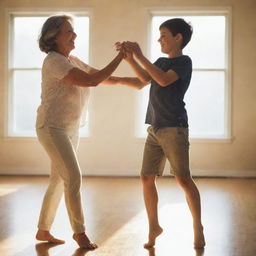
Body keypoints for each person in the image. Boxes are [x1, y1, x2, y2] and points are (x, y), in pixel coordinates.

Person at [115, 18, 205, 249]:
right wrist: (131, 59)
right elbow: (144, 80)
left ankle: (197, 225)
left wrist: (141, 56)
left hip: (174, 128)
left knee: (183, 179)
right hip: (154, 128)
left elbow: (163, 81)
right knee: (146, 177)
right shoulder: (159, 62)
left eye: (164, 35)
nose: (159, 39)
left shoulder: (184, 62)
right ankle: (154, 226)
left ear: (178, 38)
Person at [35, 14, 123, 249]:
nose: (75, 35)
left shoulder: (71, 59)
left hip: (69, 127)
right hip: (52, 127)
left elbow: (103, 77)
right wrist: (121, 57)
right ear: (53, 37)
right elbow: (91, 81)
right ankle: (79, 232)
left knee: (58, 179)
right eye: (69, 31)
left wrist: (138, 81)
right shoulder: (55, 61)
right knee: (73, 177)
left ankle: (43, 230)